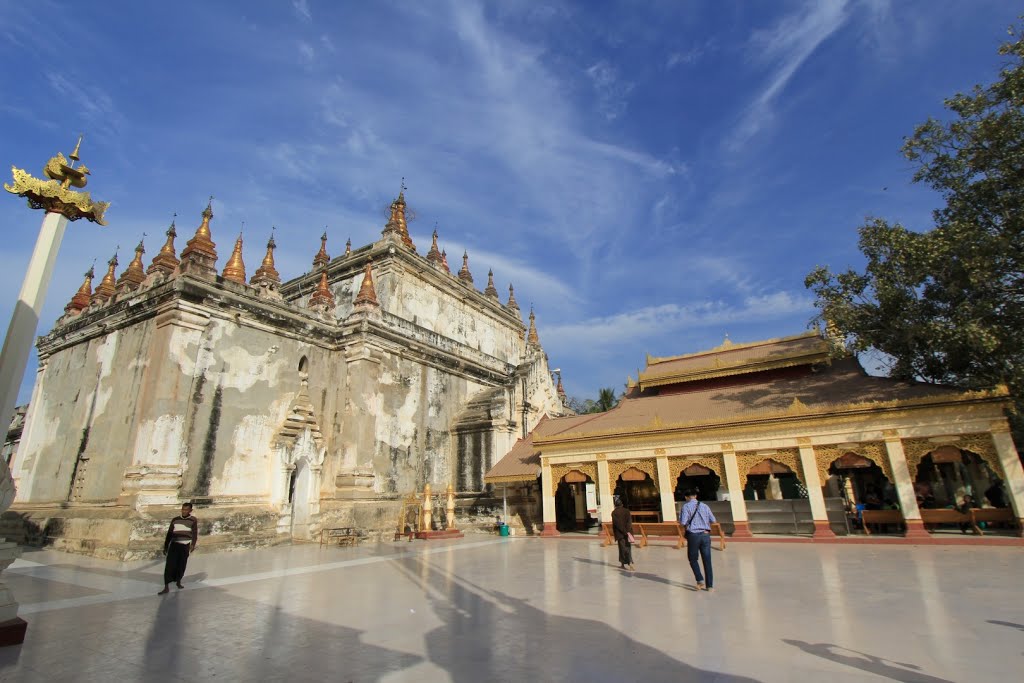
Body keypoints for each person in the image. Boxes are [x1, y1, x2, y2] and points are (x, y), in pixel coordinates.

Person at [679, 489, 716, 592]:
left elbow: (683, 522)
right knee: (707, 560)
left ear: (686, 497)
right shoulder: (705, 506)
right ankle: (710, 586)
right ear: (695, 496)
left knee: (693, 559)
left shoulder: (686, 507)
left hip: (693, 535)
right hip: (705, 535)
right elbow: (713, 520)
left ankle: (700, 579)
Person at [159, 502, 198, 595]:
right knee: (169, 566)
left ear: (190, 510)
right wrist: (165, 546)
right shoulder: (175, 520)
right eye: (183, 509)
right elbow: (169, 533)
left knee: (181, 564)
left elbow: (195, 533)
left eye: (186, 510)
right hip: (174, 545)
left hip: (185, 545)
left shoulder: (193, 520)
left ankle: (178, 581)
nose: (184, 511)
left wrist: (193, 544)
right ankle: (166, 586)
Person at [610, 496, 635, 571]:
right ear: (622, 504)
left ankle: (623, 564)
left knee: (622, 548)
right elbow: (629, 522)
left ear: (615, 505)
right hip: (628, 533)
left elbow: (617, 524)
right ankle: (629, 562)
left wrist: (623, 531)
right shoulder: (627, 511)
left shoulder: (614, 513)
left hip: (620, 533)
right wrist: (627, 531)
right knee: (628, 547)